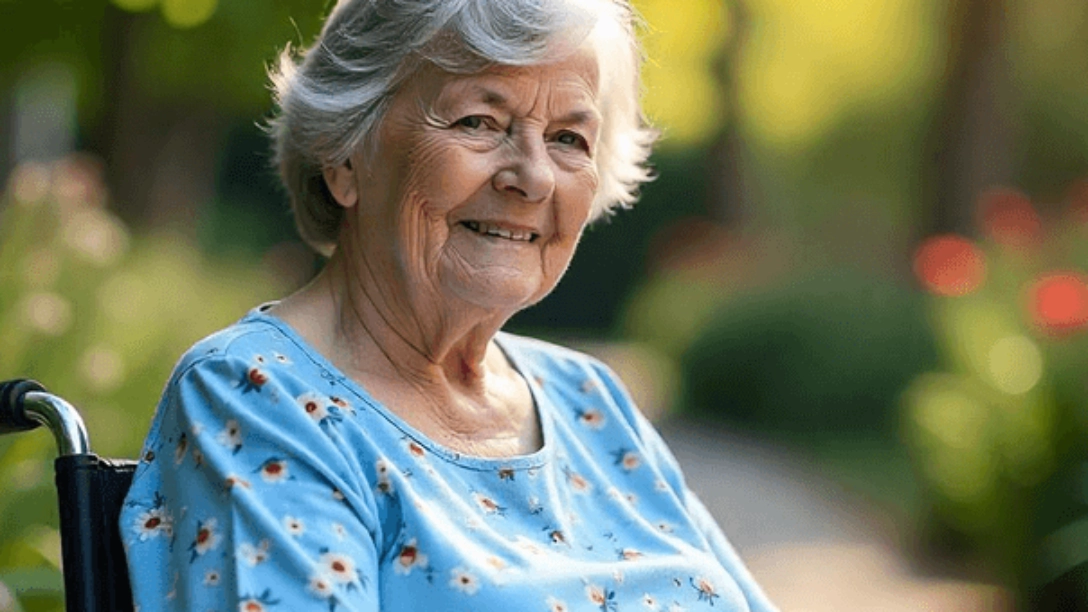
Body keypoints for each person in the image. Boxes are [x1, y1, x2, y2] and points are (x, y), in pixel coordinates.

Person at [119, 0, 778, 610]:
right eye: (480, 122)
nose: (533, 176)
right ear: (343, 157)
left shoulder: (588, 397)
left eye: (569, 139)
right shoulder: (258, 396)